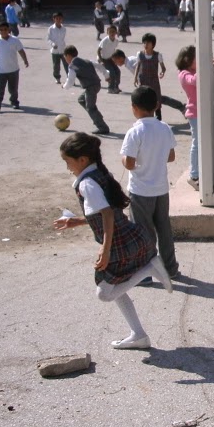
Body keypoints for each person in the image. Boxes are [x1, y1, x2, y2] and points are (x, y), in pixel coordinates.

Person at [54, 132, 171, 350]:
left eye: (68, 162)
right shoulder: (98, 174)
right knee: (118, 288)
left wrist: (105, 251)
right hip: (130, 236)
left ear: (82, 160)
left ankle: (148, 270)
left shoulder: (87, 183)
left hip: (120, 244)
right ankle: (139, 335)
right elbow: (103, 213)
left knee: (105, 293)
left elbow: (107, 214)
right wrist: (76, 222)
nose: (68, 167)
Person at [121, 86, 180, 280]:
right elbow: (171, 157)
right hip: (161, 189)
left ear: (134, 108)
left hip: (140, 190)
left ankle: (144, 274)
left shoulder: (134, 132)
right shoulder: (164, 128)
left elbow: (129, 164)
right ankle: (171, 269)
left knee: (143, 233)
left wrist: (127, 160)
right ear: (156, 106)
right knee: (164, 229)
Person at [111, 49, 187, 115]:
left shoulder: (129, 63)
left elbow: (141, 69)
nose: (115, 63)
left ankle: (181, 107)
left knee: (158, 99)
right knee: (155, 100)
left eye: (115, 61)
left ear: (120, 58)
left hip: (148, 82)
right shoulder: (129, 60)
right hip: (146, 82)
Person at [62, 45, 110, 135]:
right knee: (81, 99)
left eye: (65, 57)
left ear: (68, 55)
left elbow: (70, 80)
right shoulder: (86, 61)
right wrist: (106, 75)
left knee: (90, 108)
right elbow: (99, 66)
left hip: (90, 87)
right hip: (96, 84)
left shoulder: (72, 66)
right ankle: (97, 116)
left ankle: (102, 127)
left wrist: (64, 86)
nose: (65, 59)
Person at [0, 20, 29, 112]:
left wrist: (25, 60)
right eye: (1, 30)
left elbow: (21, 51)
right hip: (0, 70)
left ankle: (14, 102)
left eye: (5, 29)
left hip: (13, 69)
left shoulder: (14, 40)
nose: (3, 31)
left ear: (9, 29)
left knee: (13, 88)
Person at [176, 46, 200, 189]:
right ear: (187, 59)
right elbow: (195, 81)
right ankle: (194, 174)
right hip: (194, 113)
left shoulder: (192, 71)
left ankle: (197, 172)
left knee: (200, 144)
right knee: (196, 144)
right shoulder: (184, 73)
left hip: (198, 112)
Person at [134, 32, 167, 120]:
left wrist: (162, 72)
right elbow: (138, 66)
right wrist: (135, 78)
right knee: (143, 100)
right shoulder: (139, 54)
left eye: (148, 43)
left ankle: (158, 120)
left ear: (153, 44)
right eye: (144, 42)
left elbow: (163, 67)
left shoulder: (158, 55)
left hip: (154, 81)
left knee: (157, 101)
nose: (146, 45)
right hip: (143, 81)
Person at [98, 25, 122, 93]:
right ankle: (110, 88)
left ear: (116, 33)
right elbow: (98, 50)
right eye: (110, 32)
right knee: (111, 73)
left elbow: (113, 50)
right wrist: (101, 60)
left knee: (118, 71)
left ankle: (116, 87)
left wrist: (115, 59)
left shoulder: (116, 41)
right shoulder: (105, 40)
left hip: (111, 59)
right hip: (104, 59)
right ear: (107, 32)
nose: (112, 33)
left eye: (113, 32)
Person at [46, 12, 68, 84]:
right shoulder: (51, 29)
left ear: (62, 19)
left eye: (60, 18)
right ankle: (57, 78)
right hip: (55, 51)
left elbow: (63, 39)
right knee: (56, 66)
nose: (58, 20)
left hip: (63, 49)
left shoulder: (64, 28)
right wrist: (52, 44)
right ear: (54, 19)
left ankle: (69, 78)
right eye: (57, 19)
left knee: (67, 64)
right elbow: (48, 39)